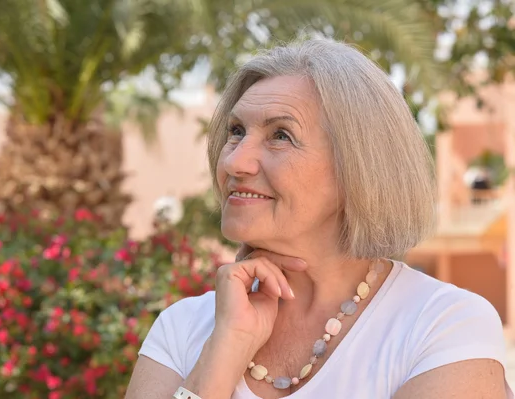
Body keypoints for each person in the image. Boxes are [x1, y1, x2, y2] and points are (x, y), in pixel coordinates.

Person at [125, 39, 512, 399]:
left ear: (358, 168)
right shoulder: (183, 329)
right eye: (236, 131)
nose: (233, 162)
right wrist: (221, 357)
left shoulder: (442, 326)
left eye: (281, 135)